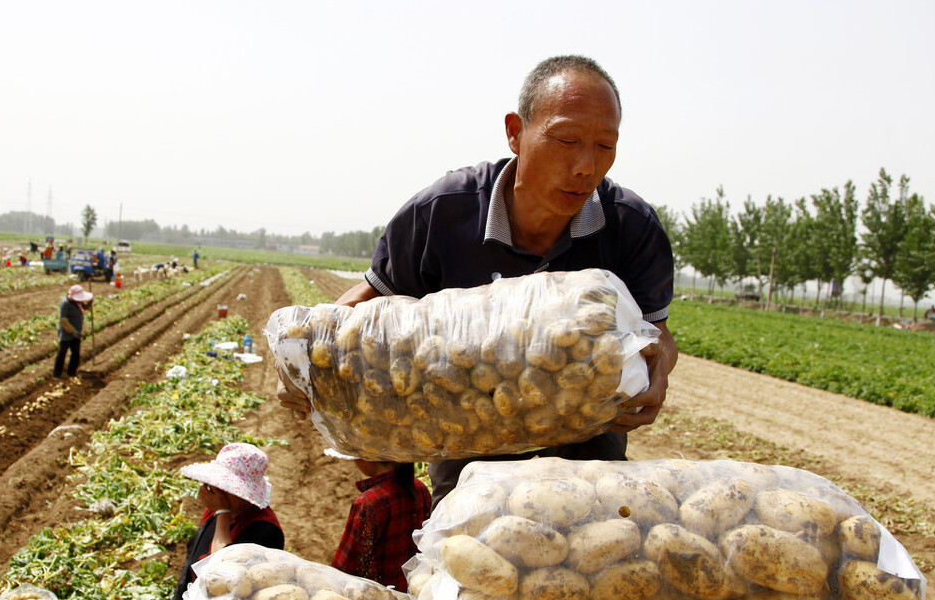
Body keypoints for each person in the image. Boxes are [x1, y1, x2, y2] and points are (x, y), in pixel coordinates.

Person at [278, 55, 678, 505]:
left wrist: (659, 369)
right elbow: (370, 304)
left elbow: (656, 333)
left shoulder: (632, 226)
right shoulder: (442, 212)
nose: (587, 165)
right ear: (515, 132)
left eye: (606, 145)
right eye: (567, 140)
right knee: (469, 559)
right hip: (468, 447)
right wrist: (303, 357)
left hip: (585, 451)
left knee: (588, 558)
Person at [169, 443, 284, 600]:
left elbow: (222, 572)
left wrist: (222, 512)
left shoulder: (264, 531)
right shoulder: (218, 512)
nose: (218, 491)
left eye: (226, 487)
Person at [329, 450, 431, 590]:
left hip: (379, 599)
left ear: (367, 458)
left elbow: (346, 567)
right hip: (414, 592)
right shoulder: (420, 488)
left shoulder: (369, 502)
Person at [54, 283, 93, 378]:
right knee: (62, 352)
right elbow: (63, 320)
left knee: (75, 352)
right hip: (66, 332)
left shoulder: (77, 302)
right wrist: (72, 331)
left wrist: (90, 303)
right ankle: (56, 374)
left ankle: (71, 372)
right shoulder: (65, 303)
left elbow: (84, 308)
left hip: (77, 332)